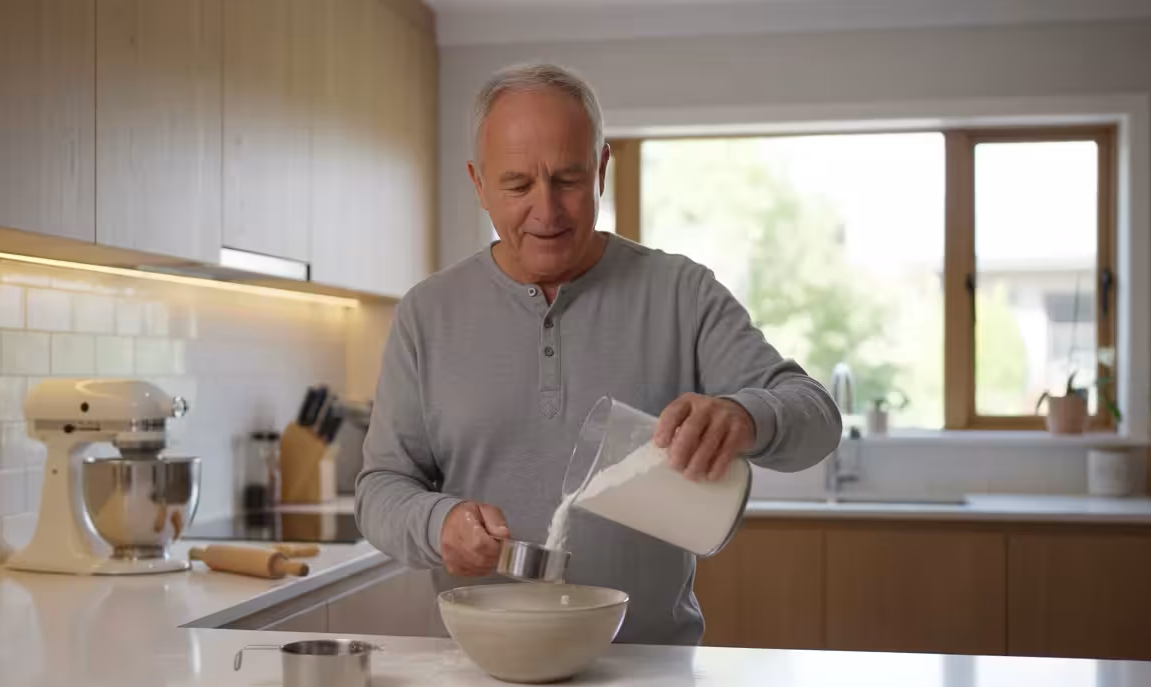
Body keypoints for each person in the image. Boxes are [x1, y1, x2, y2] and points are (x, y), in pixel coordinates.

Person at [355, 62, 841, 645]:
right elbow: (380, 488)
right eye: (517, 185)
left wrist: (745, 416)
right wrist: (439, 523)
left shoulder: (680, 293)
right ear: (478, 183)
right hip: (481, 675)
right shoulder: (426, 314)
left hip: (649, 672)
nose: (547, 211)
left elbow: (817, 416)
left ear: (602, 169)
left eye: (568, 179)